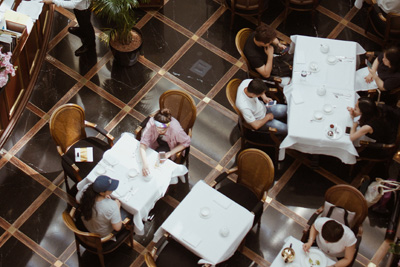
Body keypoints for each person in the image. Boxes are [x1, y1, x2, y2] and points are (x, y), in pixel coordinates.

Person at [139, 108, 191, 176]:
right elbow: (143, 143)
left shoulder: (176, 130)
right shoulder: (152, 122)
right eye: (157, 129)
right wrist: (145, 164)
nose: (159, 131)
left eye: (162, 130)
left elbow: (186, 142)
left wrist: (170, 153)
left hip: (170, 146)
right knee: (147, 160)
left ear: (168, 127)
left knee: (159, 168)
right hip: (155, 142)